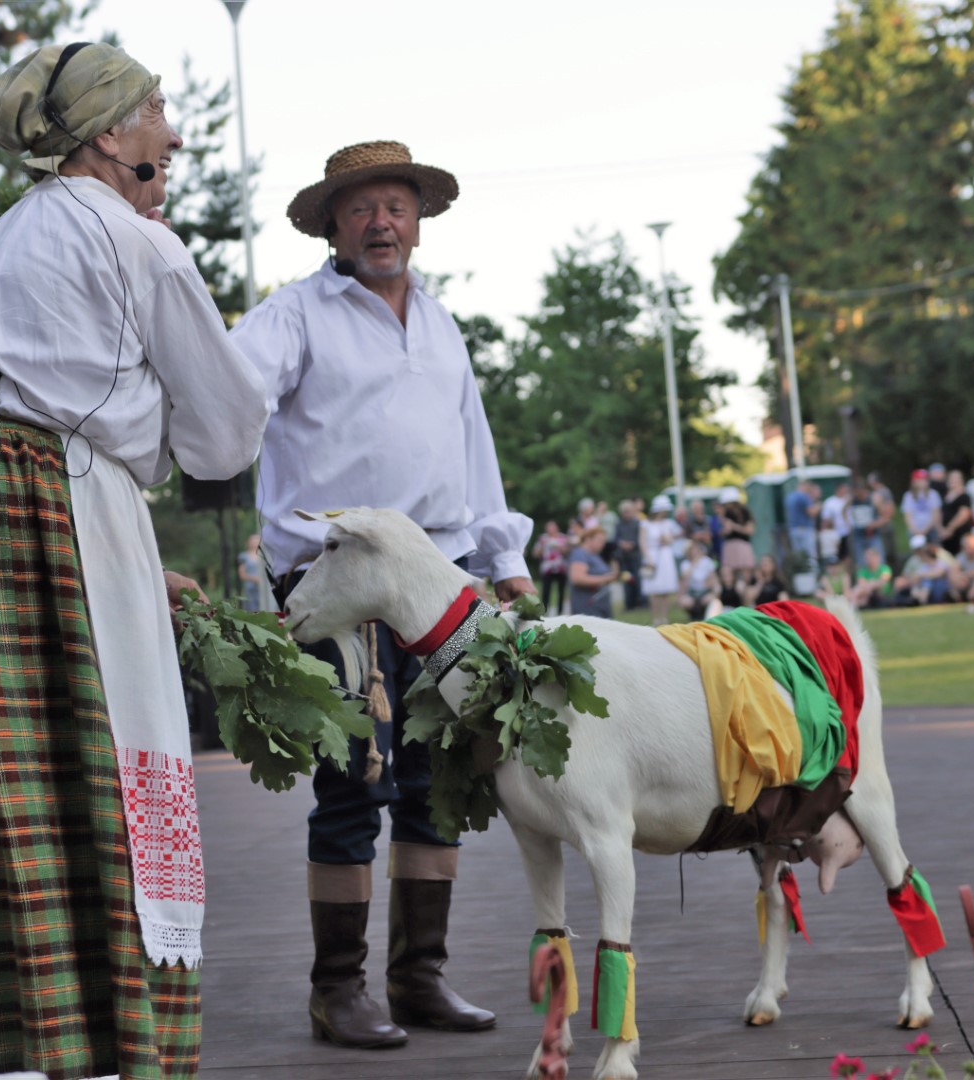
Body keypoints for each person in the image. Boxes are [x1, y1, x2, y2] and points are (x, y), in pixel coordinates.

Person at [0, 42, 269, 1078]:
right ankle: (102, 1050)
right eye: (159, 114)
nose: (176, 136)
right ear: (108, 136)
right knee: (95, 784)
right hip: (40, 505)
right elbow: (226, 435)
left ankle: (0, 1047)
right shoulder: (140, 241)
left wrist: (133, 561)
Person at [231, 141, 530, 1050]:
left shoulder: (442, 327)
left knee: (441, 776)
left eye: (394, 206)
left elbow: (473, 449)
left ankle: (419, 979)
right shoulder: (292, 317)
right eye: (360, 208)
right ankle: (338, 990)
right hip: (338, 578)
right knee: (352, 779)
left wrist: (505, 557)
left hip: (440, 580)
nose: (380, 223)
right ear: (332, 223)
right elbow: (229, 392)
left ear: (418, 220)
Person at [641, 494, 682, 626]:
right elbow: (643, 542)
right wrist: (648, 558)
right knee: (654, 589)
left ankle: (664, 617)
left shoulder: (668, 523)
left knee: (665, 589)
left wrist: (667, 539)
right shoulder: (645, 523)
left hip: (665, 556)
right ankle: (655, 618)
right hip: (652, 555)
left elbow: (673, 538)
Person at [568, 525, 619, 619]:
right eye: (600, 541)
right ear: (588, 539)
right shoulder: (580, 554)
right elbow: (577, 578)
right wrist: (606, 579)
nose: (603, 544)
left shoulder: (595, 555)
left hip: (600, 607)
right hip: (587, 607)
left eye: (604, 541)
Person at [895, 535, 954, 606]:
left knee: (927, 581)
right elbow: (911, 576)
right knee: (919, 584)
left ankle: (922, 600)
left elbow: (941, 572)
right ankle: (917, 599)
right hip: (922, 587)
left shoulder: (941, 558)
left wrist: (923, 575)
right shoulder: (918, 562)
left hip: (940, 587)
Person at [717, 487, 755, 587]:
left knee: (745, 573)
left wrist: (734, 526)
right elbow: (725, 531)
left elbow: (749, 530)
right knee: (729, 573)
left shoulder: (745, 512)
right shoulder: (726, 513)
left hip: (742, 544)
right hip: (730, 545)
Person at [532, 520, 572, 615]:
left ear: (557, 528)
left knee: (561, 591)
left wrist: (559, 548)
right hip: (547, 569)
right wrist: (543, 546)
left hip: (561, 568)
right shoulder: (543, 539)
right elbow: (535, 554)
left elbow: (568, 552)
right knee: (546, 591)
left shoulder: (564, 538)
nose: (550, 529)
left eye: (552, 527)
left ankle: (560, 612)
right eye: (548, 527)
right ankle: (544, 612)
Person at [675, 540, 718, 621]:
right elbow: (684, 578)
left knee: (710, 599)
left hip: (705, 590)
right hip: (692, 592)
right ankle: (693, 616)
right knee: (685, 601)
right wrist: (694, 562)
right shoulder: (685, 564)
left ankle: (705, 615)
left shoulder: (707, 561)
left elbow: (713, 578)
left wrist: (714, 590)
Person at [614, 499, 645, 609]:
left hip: (635, 555)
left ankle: (640, 601)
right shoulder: (619, 524)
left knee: (638, 579)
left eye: (628, 511)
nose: (626, 513)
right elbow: (616, 538)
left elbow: (641, 538)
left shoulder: (637, 523)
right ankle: (629, 603)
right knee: (626, 579)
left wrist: (632, 544)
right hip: (624, 556)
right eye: (624, 511)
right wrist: (622, 543)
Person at [783, 479, 820, 571]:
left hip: (793, 530)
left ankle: (800, 572)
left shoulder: (790, 497)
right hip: (804, 529)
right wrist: (819, 506)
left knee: (798, 556)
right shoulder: (804, 496)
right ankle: (812, 573)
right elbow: (811, 512)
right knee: (810, 556)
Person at [937, 469, 973, 557]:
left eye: (956, 478)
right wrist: (941, 529)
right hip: (945, 534)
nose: (953, 481)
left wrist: (950, 529)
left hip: (959, 532)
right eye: (951, 478)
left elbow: (964, 514)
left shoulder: (964, 496)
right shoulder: (944, 496)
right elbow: (939, 513)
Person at [900, 469, 942, 542]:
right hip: (914, 531)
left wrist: (926, 530)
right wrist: (916, 530)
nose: (922, 482)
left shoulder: (933, 494)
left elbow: (936, 514)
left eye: (924, 479)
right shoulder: (908, 496)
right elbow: (907, 516)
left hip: (931, 530)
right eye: (919, 479)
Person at [238, 532, 266, 611]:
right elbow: (242, 574)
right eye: (252, 541)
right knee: (252, 611)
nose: (254, 542)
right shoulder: (244, 556)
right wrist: (256, 579)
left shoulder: (265, 555)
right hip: (250, 589)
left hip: (263, 589)